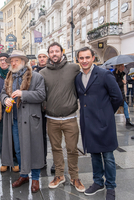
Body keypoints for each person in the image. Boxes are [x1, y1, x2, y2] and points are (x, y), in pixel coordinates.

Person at [75, 47, 122, 200]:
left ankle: (110, 186)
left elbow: (118, 98)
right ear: (78, 60)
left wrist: (106, 113)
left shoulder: (104, 75)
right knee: (94, 154)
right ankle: (97, 182)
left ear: (93, 58)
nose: (84, 61)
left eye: (87, 57)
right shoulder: (77, 78)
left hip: (104, 123)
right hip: (88, 123)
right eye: (81, 58)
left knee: (108, 156)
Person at [39, 42, 85, 192]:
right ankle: (59, 175)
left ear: (62, 52)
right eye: (51, 52)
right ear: (48, 54)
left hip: (70, 117)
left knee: (72, 149)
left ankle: (74, 176)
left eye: (56, 51)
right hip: (52, 119)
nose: (54, 54)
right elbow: (40, 93)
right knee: (56, 148)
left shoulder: (73, 68)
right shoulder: (43, 73)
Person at [1, 50, 46, 193]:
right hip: (14, 120)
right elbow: (3, 93)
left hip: (31, 119)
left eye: (16, 60)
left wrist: (23, 94)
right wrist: (5, 99)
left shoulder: (36, 76)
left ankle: (35, 179)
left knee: (34, 149)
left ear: (23, 62)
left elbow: (41, 95)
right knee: (19, 149)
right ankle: (24, 175)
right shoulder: (9, 77)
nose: (13, 63)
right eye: (11, 61)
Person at [0, 53, 19, 173]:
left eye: (5, 60)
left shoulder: (14, 75)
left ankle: (14, 161)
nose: (3, 62)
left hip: (13, 111)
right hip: (1, 112)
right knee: (3, 138)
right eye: (0, 60)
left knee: (14, 137)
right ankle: (4, 161)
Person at [34, 49, 49, 166]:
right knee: (41, 134)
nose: (42, 58)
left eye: (44, 56)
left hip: (51, 106)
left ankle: (55, 161)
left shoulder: (52, 69)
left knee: (55, 136)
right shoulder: (33, 71)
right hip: (38, 107)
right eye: (40, 56)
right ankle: (42, 159)